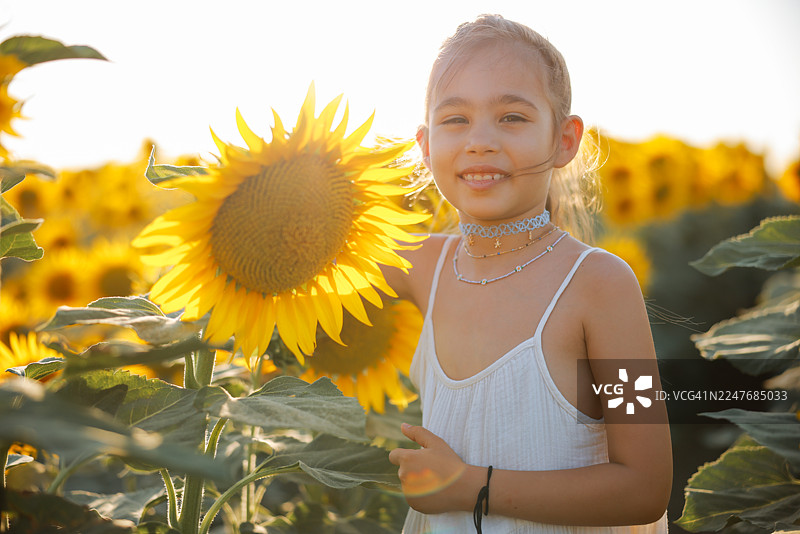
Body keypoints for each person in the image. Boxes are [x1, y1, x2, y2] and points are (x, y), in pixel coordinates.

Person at [384, 14, 672, 533]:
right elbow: (309, 241)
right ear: (425, 146)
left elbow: (646, 486)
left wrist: (469, 486)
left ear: (564, 140)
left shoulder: (600, 285)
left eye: (512, 117)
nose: (479, 141)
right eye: (455, 120)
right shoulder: (419, 263)